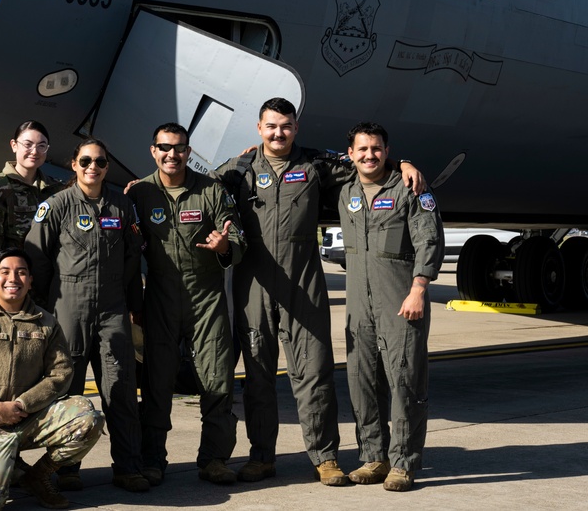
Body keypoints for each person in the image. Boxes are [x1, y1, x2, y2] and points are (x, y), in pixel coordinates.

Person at [215, 97, 425, 487]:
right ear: (259, 129)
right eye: (271, 126)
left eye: (286, 126)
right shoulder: (238, 169)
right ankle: (261, 457)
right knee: (258, 375)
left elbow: (366, 164)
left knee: (314, 374)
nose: (279, 133)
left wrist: (404, 163)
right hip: (254, 285)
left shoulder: (315, 164)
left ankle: (325, 458)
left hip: (303, 284)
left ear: (296, 128)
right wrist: (142, 188)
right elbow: (199, 191)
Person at [24, 139, 150, 493]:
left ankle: (128, 467)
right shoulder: (57, 205)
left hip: (112, 308)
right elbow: (36, 256)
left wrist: (133, 306)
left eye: (100, 162)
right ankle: (65, 468)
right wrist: (50, 303)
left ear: (106, 166)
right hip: (69, 305)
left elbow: (131, 259)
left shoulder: (121, 205)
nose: (93, 167)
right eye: (86, 161)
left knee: (121, 388)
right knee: (68, 391)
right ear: (74, 165)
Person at [0, 247, 105, 511]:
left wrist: (23, 405)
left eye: (21, 272)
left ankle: (37, 476)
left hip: (28, 419)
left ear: (30, 281)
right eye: (4, 272)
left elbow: (61, 372)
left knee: (87, 418)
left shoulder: (46, 322)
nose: (13, 278)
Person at [127, 123, 246, 485]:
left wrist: (224, 246)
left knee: (217, 380)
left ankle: (214, 459)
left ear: (188, 151)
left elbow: (236, 236)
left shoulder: (211, 190)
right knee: (156, 383)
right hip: (160, 297)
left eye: (179, 148)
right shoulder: (139, 194)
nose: (172, 155)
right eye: (164, 148)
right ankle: (151, 460)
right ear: (153, 151)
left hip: (206, 298)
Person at [339, 122, 444, 492]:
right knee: (361, 381)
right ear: (350, 154)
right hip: (358, 304)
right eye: (362, 149)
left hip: (400, 300)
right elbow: (304, 162)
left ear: (387, 151)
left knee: (404, 381)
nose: (370, 155)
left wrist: (419, 288)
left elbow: (429, 239)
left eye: (378, 149)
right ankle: (374, 457)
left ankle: (403, 462)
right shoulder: (346, 187)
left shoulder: (409, 188)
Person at [0, 120, 62, 298]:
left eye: (41, 146)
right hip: (12, 292)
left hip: (50, 291)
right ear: (14, 145)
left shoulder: (56, 191)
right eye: (27, 145)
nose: (34, 151)